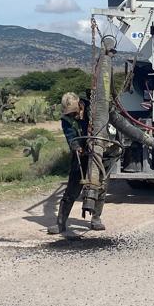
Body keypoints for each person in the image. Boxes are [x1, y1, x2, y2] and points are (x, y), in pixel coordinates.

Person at [49, 91, 106, 236]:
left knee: (100, 186)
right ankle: (60, 223)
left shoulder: (92, 109)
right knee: (72, 189)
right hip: (80, 154)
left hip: (99, 152)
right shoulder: (66, 119)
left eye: (74, 112)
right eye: (70, 113)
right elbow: (70, 136)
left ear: (80, 104)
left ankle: (96, 218)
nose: (73, 115)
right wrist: (76, 147)